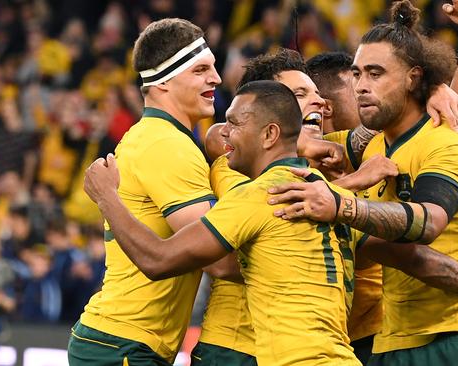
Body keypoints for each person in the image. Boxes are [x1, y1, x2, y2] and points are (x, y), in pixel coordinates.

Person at [268, 1, 458, 365]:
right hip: (394, 341)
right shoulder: (370, 144)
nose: (361, 86)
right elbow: (278, 141)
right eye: (357, 75)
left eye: (375, 74)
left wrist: (342, 204)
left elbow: (430, 221)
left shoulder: (446, 142)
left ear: (412, 77)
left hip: (457, 338)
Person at [84, 80, 361, 365]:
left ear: (270, 134)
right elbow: (404, 247)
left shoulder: (257, 195)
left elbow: (159, 260)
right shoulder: (333, 197)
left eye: (234, 123)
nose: (225, 130)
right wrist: (357, 198)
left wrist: (106, 197)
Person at [67, 18, 223, 365]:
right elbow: (220, 259)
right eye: (200, 69)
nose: (216, 78)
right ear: (164, 81)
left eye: (212, 67)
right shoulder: (166, 146)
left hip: (117, 339)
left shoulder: (152, 136)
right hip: (125, 343)